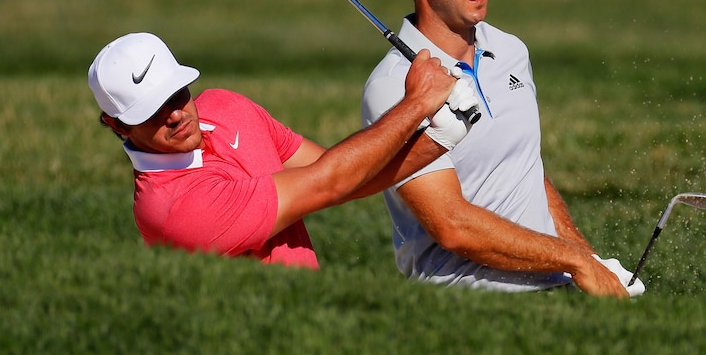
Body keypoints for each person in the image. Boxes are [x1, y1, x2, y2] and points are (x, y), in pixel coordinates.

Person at [362, 0, 644, 297]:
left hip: (552, 287)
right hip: (466, 304)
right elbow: (452, 226)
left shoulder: (511, 51)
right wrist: (573, 261)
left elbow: (525, 169)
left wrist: (589, 261)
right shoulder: (393, 87)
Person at [89, 31, 478, 268]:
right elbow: (329, 182)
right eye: (153, 112)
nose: (175, 114)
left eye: (177, 94)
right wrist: (417, 104)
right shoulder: (174, 207)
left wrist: (441, 135)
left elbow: (344, 179)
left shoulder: (225, 107)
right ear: (116, 125)